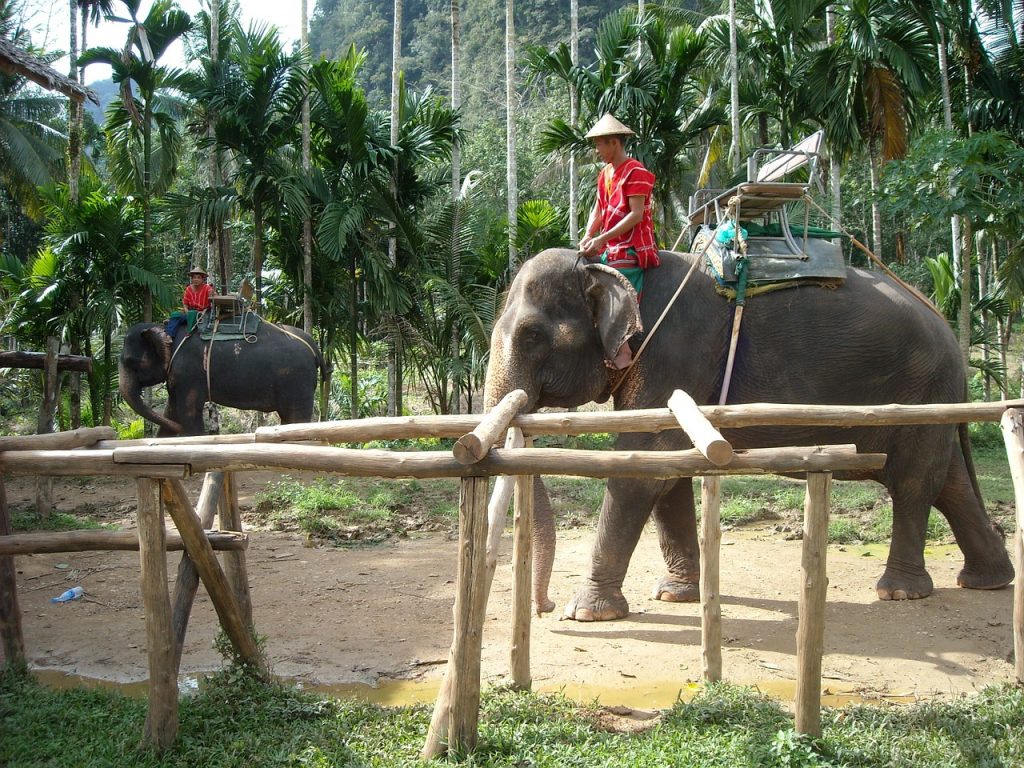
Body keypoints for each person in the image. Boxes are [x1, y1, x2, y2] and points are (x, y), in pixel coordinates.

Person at [578, 113, 659, 368]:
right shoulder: (605, 175)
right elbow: (599, 210)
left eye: (600, 144)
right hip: (611, 244)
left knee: (613, 283)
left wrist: (601, 238)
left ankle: (624, 351)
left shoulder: (636, 172)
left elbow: (636, 215)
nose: (597, 150)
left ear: (614, 143)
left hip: (631, 247)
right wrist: (589, 236)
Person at [167, 266, 214, 337]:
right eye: (194, 277)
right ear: (192, 279)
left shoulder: (207, 288)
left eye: (198, 277)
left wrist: (213, 293)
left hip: (202, 313)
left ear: (202, 279)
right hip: (189, 312)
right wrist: (186, 311)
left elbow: (214, 298)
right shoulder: (188, 289)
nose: (196, 279)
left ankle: (189, 331)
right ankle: (169, 336)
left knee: (192, 314)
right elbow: (185, 303)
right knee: (175, 314)